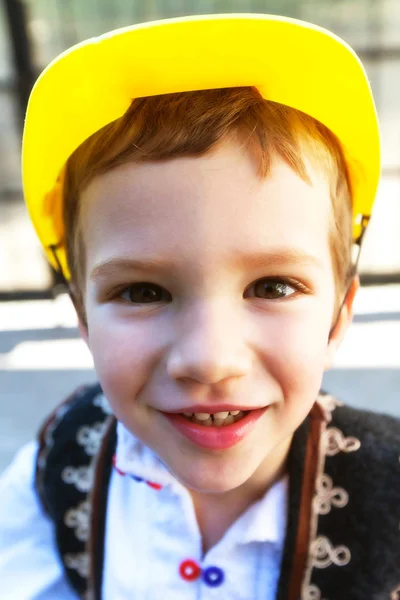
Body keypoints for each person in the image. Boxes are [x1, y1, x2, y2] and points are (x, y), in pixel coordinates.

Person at [0, 13, 399, 600]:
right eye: (141, 292)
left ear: (338, 317)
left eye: (273, 287)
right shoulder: (59, 459)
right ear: (84, 320)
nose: (210, 360)